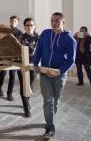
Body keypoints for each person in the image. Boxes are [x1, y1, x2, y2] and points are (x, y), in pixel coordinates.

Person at [34, 12, 76, 140]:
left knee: (55, 101)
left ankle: (49, 118)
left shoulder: (70, 40)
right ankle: (50, 127)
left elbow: (71, 60)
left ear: (63, 22)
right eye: (52, 20)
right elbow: (39, 49)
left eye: (57, 21)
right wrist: (35, 64)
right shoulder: (45, 34)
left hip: (59, 74)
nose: (54, 23)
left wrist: (60, 71)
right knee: (48, 100)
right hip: (45, 72)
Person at [0, 15, 23, 101]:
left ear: (17, 22)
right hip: (5, 55)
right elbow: (0, 42)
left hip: (14, 57)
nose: (13, 22)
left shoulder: (20, 33)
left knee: (12, 75)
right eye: (12, 21)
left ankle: (9, 93)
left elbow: (20, 45)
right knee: (3, 72)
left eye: (15, 21)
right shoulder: (5, 30)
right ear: (9, 21)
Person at [17, 18, 39, 117]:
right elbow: (16, 51)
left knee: (30, 86)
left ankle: (27, 102)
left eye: (31, 25)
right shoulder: (20, 37)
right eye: (27, 25)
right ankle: (26, 108)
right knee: (23, 86)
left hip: (34, 65)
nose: (29, 27)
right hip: (22, 65)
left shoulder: (38, 38)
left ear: (34, 26)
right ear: (24, 26)